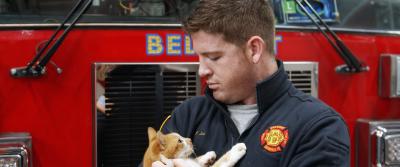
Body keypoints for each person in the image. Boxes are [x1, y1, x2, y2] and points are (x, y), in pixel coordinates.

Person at [151, 0, 350, 166]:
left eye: (214, 57)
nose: (202, 71)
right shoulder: (187, 115)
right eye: (199, 58)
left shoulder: (318, 127)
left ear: (254, 49)